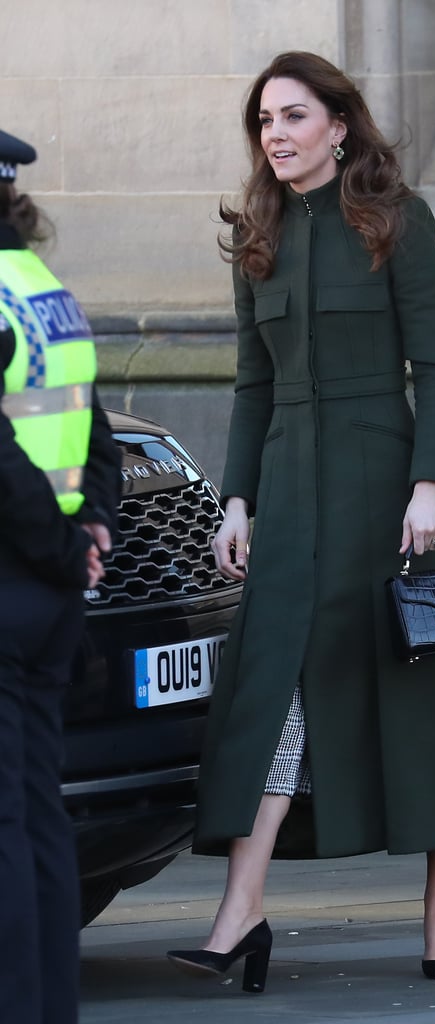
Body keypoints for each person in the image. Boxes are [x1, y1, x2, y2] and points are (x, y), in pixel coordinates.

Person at [167, 51, 435, 992]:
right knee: (272, 689)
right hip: (288, 492)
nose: (275, 134)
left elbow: (432, 366)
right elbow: (252, 385)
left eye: (293, 117)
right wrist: (235, 502)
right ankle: (241, 910)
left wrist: (429, 484)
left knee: (415, 685)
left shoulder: (398, 221)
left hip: (385, 491)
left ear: (338, 126)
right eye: (264, 121)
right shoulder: (256, 233)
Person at [0, 129, 121, 1024]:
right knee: (37, 816)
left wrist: (55, 540)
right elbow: (98, 432)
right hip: (47, 590)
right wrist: (90, 531)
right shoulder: (41, 291)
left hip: (14, 574)